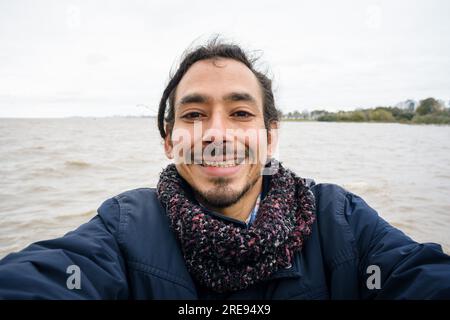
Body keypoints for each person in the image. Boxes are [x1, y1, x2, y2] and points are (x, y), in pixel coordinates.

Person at [1, 38, 449, 299]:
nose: (217, 133)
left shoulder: (342, 220)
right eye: (194, 115)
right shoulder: (122, 229)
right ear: (168, 139)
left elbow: (416, 274)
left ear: (271, 135)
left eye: (240, 113)